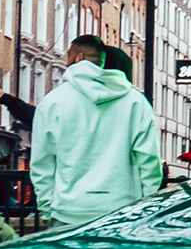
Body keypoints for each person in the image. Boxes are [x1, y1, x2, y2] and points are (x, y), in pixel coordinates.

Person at [31, 33, 163, 227]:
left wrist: (47, 207)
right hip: (122, 211)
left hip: (69, 211)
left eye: (68, 57)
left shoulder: (53, 102)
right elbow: (149, 161)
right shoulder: (136, 102)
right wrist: (145, 205)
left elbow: (42, 162)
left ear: (78, 58)